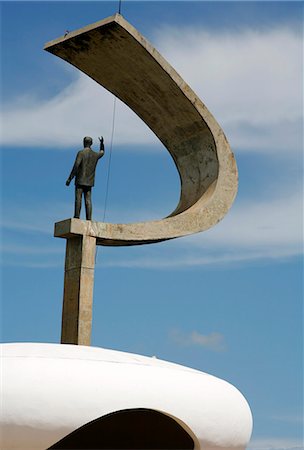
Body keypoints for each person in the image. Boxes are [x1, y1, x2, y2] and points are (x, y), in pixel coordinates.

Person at [66, 136, 105, 220]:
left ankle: (77, 216)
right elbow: (102, 152)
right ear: (91, 143)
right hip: (89, 181)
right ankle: (89, 218)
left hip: (80, 180)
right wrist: (102, 144)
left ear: (84, 143)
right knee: (88, 199)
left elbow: (76, 166)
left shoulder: (81, 153)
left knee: (78, 198)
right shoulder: (95, 154)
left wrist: (70, 178)